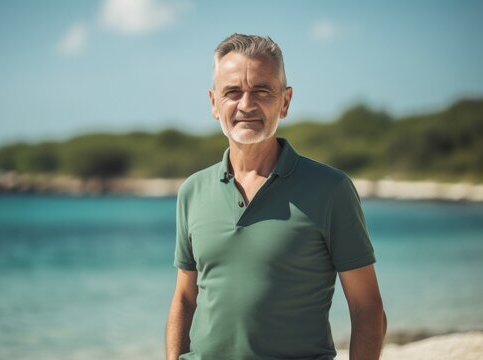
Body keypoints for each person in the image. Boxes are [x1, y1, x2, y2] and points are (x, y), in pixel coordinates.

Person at [165, 33, 386, 360]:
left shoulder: (331, 189)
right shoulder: (192, 191)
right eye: (232, 92)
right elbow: (185, 297)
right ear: (214, 103)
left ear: (285, 101)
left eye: (262, 90)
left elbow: (368, 308)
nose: (246, 104)